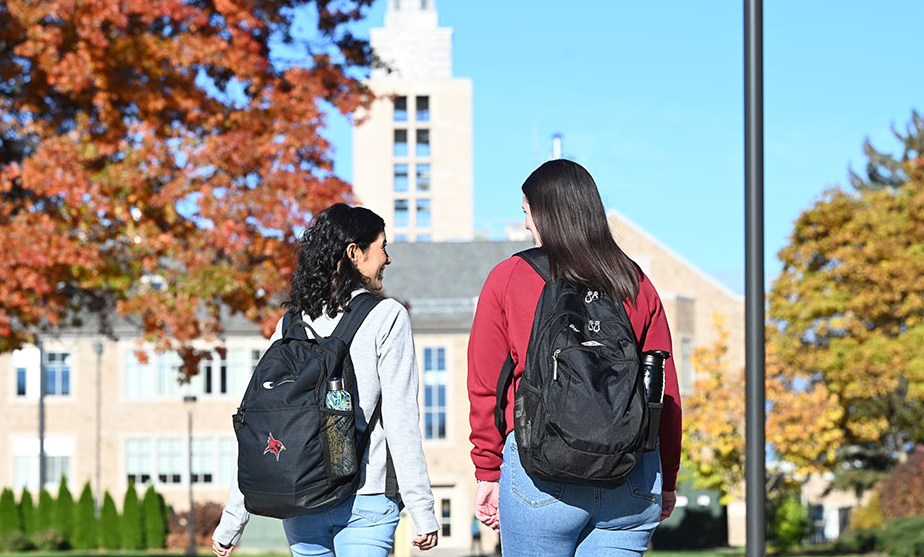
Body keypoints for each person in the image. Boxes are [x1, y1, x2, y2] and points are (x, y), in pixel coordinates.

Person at [467, 160, 682, 557]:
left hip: (541, 474)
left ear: (544, 213)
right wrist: (666, 475)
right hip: (631, 474)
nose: (528, 224)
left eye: (527, 212)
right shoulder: (634, 281)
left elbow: (487, 387)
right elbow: (662, 389)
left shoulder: (509, 277)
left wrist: (486, 469)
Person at [211, 203, 439, 557]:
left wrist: (232, 521)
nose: (387, 259)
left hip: (302, 498)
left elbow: (264, 422)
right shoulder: (387, 316)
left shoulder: (291, 325)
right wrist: (423, 510)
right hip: (368, 497)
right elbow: (401, 418)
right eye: (382, 247)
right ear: (354, 253)